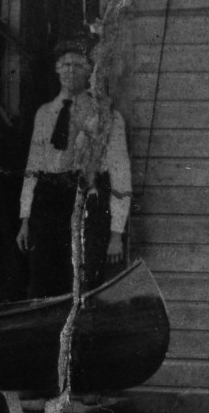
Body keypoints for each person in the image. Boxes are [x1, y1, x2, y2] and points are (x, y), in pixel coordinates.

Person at [15, 39, 133, 298]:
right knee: (44, 279)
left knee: (83, 281)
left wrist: (116, 233)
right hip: (46, 206)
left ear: (89, 71)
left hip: (86, 204)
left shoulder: (106, 116)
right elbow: (32, 168)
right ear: (57, 70)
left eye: (78, 65)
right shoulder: (44, 114)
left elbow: (120, 173)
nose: (70, 71)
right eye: (65, 65)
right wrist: (25, 220)